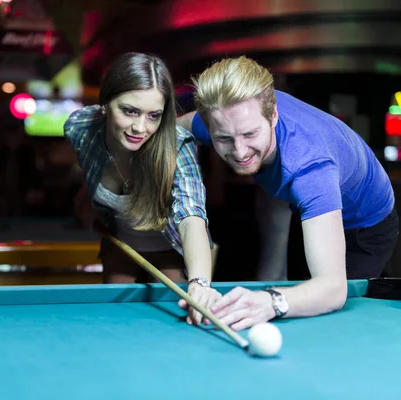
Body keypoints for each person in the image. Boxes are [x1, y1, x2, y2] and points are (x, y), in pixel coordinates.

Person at [177, 56, 399, 330]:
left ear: (274, 115)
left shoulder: (310, 168)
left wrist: (269, 302)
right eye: (223, 139)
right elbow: (175, 128)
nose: (239, 151)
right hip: (304, 205)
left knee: (327, 323)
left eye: (250, 134)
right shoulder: (227, 117)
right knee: (296, 290)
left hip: (365, 225)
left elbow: (332, 290)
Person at [64, 52, 220, 326]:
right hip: (120, 244)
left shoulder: (178, 147)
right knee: (113, 319)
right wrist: (86, 201)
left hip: (170, 248)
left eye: (153, 115)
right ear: (105, 103)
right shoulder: (80, 129)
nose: (140, 127)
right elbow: (90, 174)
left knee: (179, 316)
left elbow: (191, 217)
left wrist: (200, 283)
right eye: (130, 111)